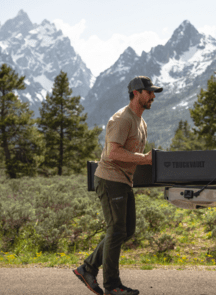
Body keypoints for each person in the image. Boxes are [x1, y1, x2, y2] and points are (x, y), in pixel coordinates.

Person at [73, 76, 163, 295]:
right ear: (136, 93)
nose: (152, 96)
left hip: (123, 181)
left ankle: (88, 268)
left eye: (153, 93)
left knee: (126, 230)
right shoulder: (122, 119)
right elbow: (113, 153)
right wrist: (144, 159)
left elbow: (131, 155)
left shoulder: (141, 121)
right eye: (149, 92)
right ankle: (112, 285)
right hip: (110, 179)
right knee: (116, 231)